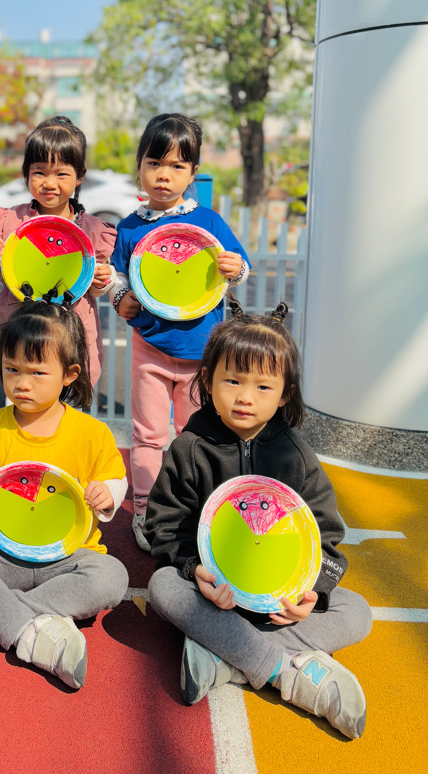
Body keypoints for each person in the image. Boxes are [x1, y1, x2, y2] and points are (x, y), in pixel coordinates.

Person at [145, 304, 372, 739]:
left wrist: (312, 591)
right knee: (162, 586)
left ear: (285, 393)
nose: (245, 397)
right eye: (232, 381)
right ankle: (286, 670)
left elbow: (326, 533)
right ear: (208, 381)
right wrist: (193, 568)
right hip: (216, 596)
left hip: (278, 604)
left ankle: (226, 659)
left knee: (356, 610)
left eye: (263, 386)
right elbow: (164, 524)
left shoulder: (297, 456)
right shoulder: (190, 449)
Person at [0, 300, 129, 690]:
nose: (22, 383)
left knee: (112, 576)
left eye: (37, 372)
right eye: (12, 369)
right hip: (3, 556)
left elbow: (115, 480)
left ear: (69, 375)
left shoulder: (91, 433)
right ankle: (33, 629)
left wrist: (108, 494)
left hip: (67, 559)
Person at [109, 113, 250, 551]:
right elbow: (116, 275)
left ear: (192, 173)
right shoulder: (131, 226)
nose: (163, 175)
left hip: (201, 353)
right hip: (149, 348)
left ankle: (194, 510)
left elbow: (240, 266)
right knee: (148, 435)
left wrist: (234, 267)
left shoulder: (208, 221)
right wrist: (119, 297)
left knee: (195, 437)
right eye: (154, 163)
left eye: (176, 166)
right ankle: (147, 510)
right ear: (139, 166)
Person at [0, 115, 116, 387]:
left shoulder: (92, 230)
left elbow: (95, 285)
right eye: (39, 172)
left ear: (79, 176)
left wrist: (102, 279)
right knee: (24, 397)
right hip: (22, 336)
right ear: (26, 173)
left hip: (70, 339)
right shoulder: (11, 221)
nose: (49, 183)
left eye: (61, 174)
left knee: (69, 406)